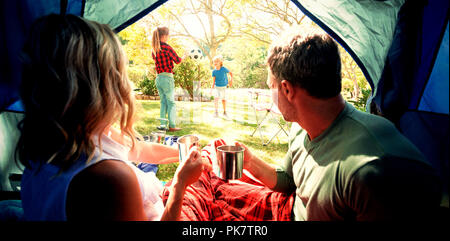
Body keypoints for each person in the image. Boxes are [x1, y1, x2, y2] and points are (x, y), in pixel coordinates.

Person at [235, 27, 442, 220]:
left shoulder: (373, 169)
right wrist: (251, 162)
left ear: (287, 90)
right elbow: (291, 181)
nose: (271, 94)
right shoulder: (301, 128)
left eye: (270, 86)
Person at [18, 14, 210, 221]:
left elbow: (143, 149)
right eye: (118, 73)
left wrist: (185, 155)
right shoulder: (110, 179)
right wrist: (180, 184)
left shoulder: (56, 145)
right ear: (100, 88)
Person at [151, 26, 184, 132]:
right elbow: (177, 60)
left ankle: (162, 125)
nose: (168, 37)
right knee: (171, 103)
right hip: (167, 78)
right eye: (168, 35)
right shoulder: (166, 47)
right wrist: (183, 57)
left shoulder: (154, 49)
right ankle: (172, 125)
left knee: (163, 102)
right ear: (164, 36)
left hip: (159, 78)